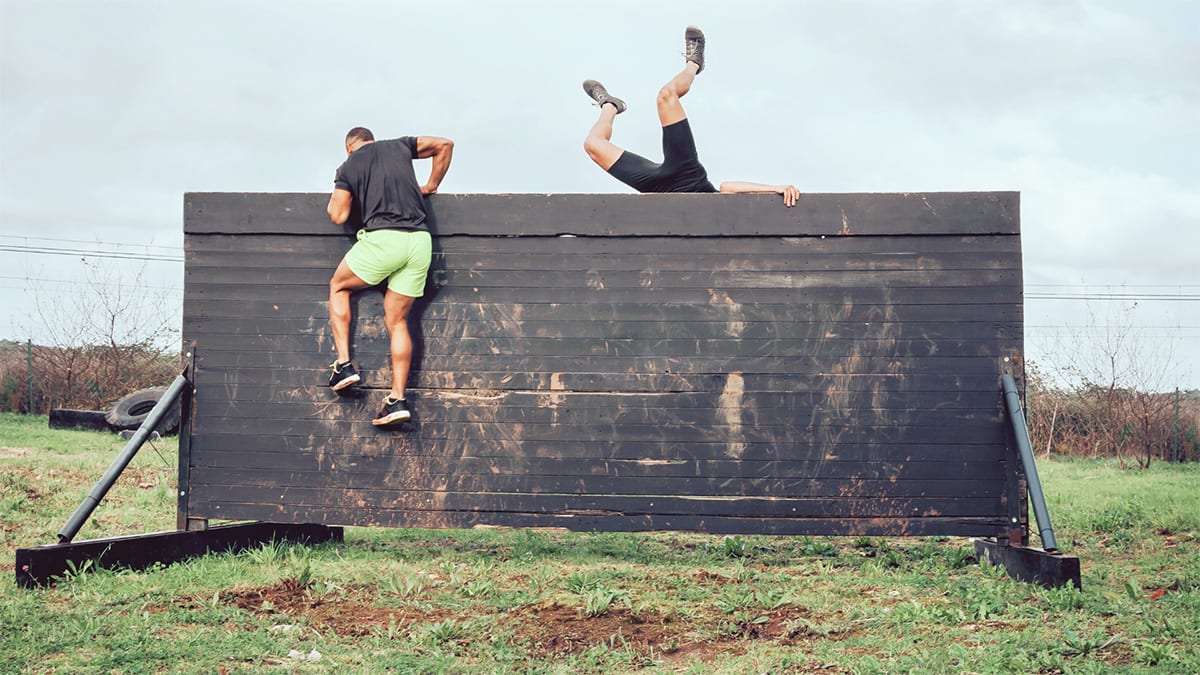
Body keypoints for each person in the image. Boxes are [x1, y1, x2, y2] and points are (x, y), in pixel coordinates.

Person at [582, 26, 800, 206]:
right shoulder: (721, 203)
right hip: (687, 177)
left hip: (658, 190)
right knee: (666, 96)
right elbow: (727, 187)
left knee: (592, 145)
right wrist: (775, 188)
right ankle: (694, 63)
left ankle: (609, 106)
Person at [325, 127, 454, 427]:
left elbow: (338, 215)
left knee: (338, 287)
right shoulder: (399, 146)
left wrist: (349, 189)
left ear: (349, 148)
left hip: (384, 240)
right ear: (372, 139)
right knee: (397, 322)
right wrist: (430, 185)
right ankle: (397, 400)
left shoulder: (349, 165)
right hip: (420, 242)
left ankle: (344, 365)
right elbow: (445, 144)